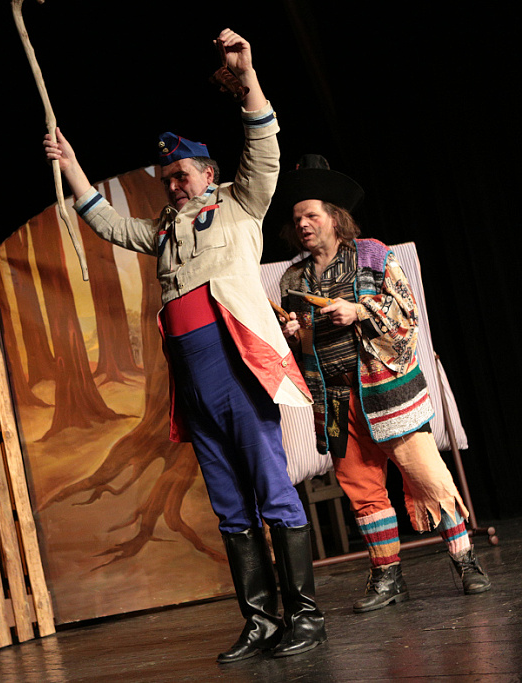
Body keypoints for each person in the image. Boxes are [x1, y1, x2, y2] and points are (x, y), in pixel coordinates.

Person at [44, 29, 326, 662]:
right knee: (228, 504)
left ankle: (306, 617)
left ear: (209, 174)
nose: (173, 185)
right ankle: (260, 620)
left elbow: (263, 145)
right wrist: (71, 165)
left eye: (182, 175)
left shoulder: (241, 205)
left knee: (271, 489)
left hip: (238, 373)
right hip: (196, 387)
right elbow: (110, 223)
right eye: (167, 178)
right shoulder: (165, 232)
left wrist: (247, 77)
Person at [276, 155, 491, 614]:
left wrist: (359, 310)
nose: (303, 225)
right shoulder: (293, 278)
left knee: (427, 476)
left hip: (385, 390)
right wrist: (295, 332)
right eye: (297, 220)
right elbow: (300, 345)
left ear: (334, 217)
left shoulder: (373, 255)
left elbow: (408, 315)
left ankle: (464, 560)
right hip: (335, 399)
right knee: (362, 489)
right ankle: (388, 575)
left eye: (311, 215)